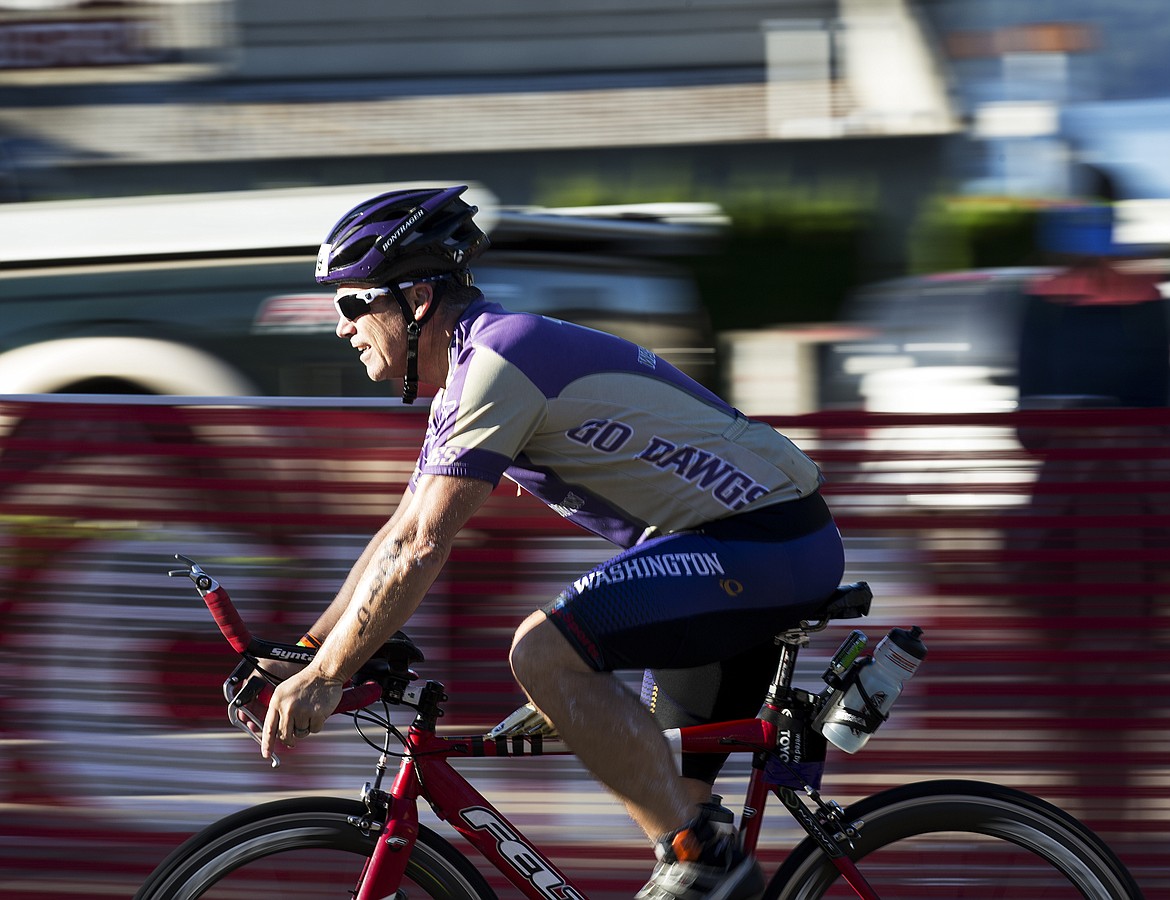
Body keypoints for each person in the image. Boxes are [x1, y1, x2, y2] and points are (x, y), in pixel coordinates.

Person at [261, 185, 845, 900]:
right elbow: (397, 529)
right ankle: (706, 859)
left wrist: (326, 677)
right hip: (744, 548)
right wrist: (306, 650)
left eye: (354, 303)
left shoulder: (499, 361)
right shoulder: (472, 373)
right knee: (676, 815)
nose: (342, 327)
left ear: (415, 300)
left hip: (764, 543)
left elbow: (421, 546)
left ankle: (705, 858)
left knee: (543, 652)